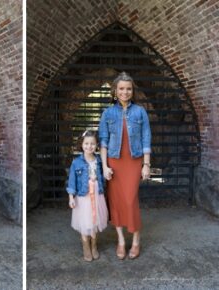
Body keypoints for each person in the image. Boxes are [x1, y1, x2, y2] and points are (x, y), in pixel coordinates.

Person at [98, 71, 151, 260]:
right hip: (114, 162)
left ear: (132, 91)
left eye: (128, 89)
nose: (125, 92)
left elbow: (146, 138)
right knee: (116, 202)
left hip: (134, 161)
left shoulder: (140, 111)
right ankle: (120, 240)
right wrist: (104, 166)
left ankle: (136, 240)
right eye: (121, 88)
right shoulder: (108, 113)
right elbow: (103, 141)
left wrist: (146, 164)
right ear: (115, 90)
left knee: (130, 200)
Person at [68, 130, 108, 261]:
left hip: (97, 196)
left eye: (92, 144)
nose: (89, 146)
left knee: (95, 220)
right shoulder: (76, 162)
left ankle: (94, 245)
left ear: (96, 145)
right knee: (85, 221)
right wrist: (71, 197)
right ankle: (86, 246)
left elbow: (103, 177)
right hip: (83, 197)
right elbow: (72, 181)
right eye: (86, 143)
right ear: (81, 144)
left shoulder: (99, 161)